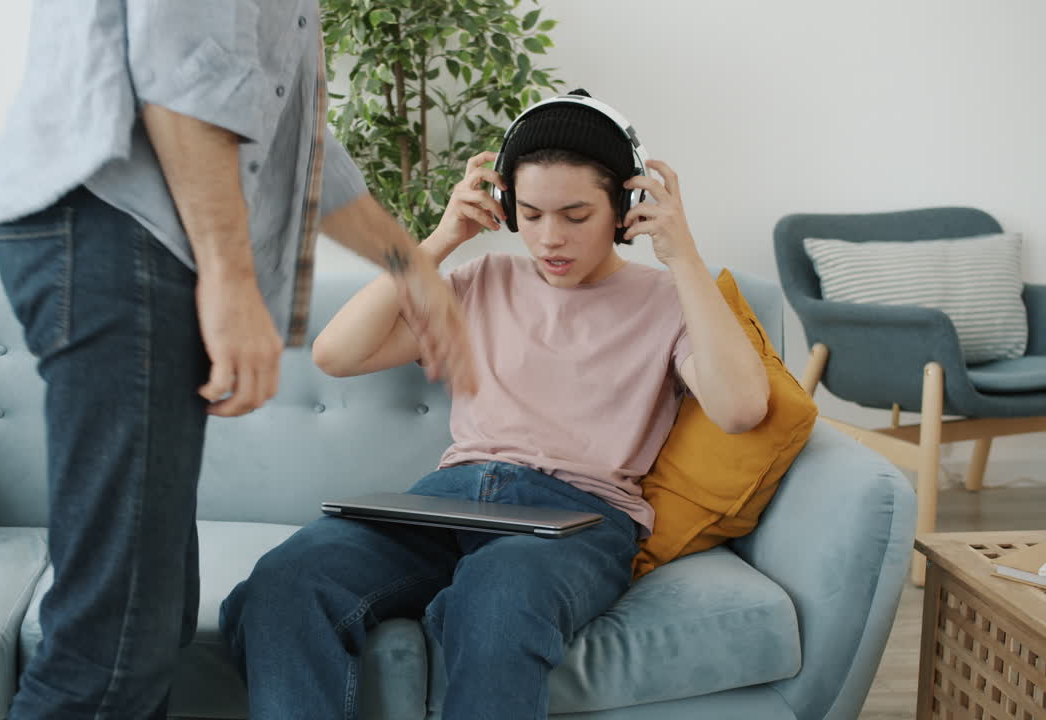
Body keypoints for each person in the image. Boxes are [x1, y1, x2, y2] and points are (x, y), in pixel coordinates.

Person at [0, 3, 476, 719]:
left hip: (132, 238)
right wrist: (230, 276)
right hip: (123, 229)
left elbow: (298, 148)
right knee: (111, 652)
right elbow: (180, 65)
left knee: (157, 620)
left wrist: (410, 266)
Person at [219, 91, 771, 719]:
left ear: (624, 207)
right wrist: (441, 237)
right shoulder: (482, 283)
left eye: (575, 214)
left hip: (577, 517)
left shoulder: (669, 299)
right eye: (530, 214)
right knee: (288, 580)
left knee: (500, 594)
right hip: (445, 499)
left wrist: (685, 256)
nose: (550, 238)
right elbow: (335, 355)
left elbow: (741, 409)